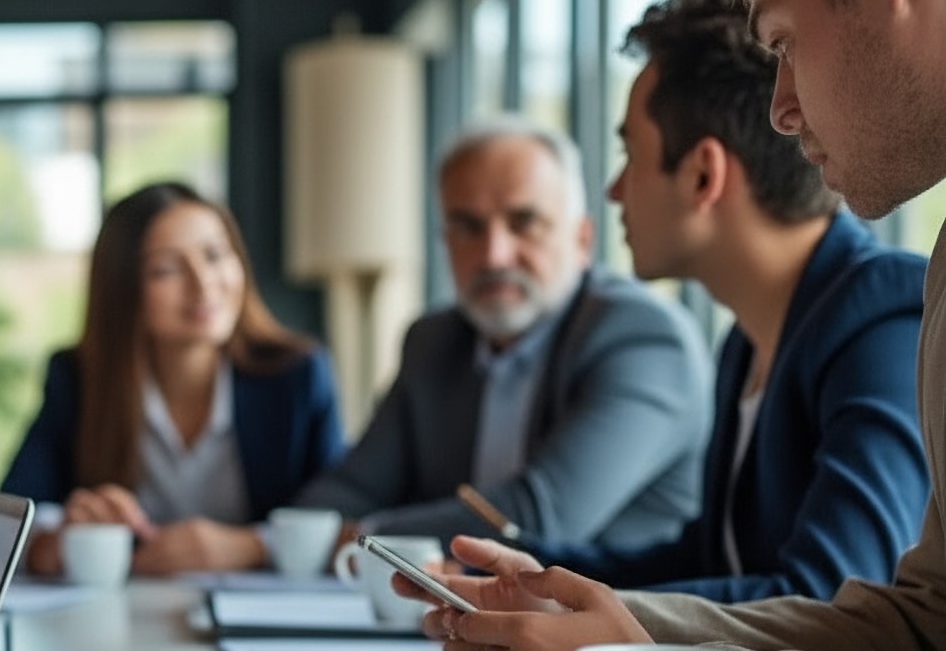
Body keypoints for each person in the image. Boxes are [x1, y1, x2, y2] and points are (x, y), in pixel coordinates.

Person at [416, 0, 946, 651]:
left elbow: (840, 591)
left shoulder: (877, 311)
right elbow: (921, 624)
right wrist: (594, 618)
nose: (781, 106)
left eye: (781, 41)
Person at [529, 0, 929, 602]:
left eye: (629, 155)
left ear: (703, 175)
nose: (614, 192)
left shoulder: (882, 324)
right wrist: (527, 576)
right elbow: (710, 558)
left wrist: (603, 613)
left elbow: (828, 597)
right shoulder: (744, 344)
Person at [295, 119, 711, 553]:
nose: (494, 255)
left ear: (582, 239)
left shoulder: (645, 340)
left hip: (620, 615)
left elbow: (537, 517)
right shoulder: (434, 342)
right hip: (445, 613)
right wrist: (286, 538)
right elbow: (350, 489)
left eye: (524, 222)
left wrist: (358, 540)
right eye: (469, 227)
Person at [0, 181, 345, 576]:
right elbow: (8, 523)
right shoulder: (78, 377)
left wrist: (248, 547)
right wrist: (56, 540)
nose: (203, 284)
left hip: (261, 620)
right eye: (166, 269)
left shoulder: (296, 376)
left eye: (215, 255)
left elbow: (341, 523)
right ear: (123, 290)